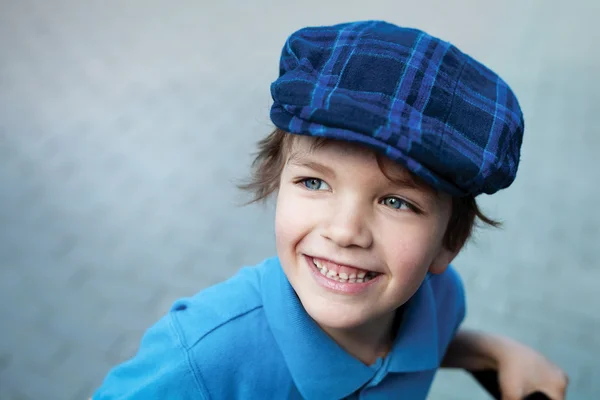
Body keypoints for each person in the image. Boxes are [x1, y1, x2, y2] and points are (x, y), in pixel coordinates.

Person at [92, 21, 568, 399]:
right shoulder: (200, 361)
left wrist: (492, 351)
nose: (344, 232)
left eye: (396, 201)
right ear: (276, 183)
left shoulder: (440, 301)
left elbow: (403, 350)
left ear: (449, 243)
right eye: (314, 182)